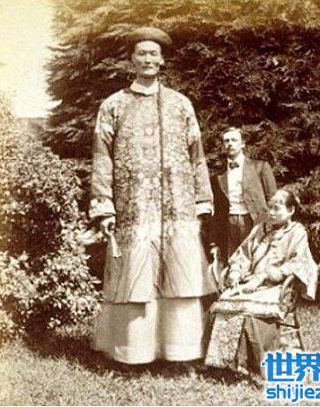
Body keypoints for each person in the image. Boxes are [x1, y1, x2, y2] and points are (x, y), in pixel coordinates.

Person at [89, 26, 217, 366]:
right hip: (134, 209)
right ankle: (133, 354)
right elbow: (102, 159)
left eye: (153, 54)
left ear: (162, 61)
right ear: (132, 59)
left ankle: (181, 353)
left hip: (177, 208)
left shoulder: (180, 104)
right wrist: (104, 206)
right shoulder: (113, 106)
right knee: (135, 278)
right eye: (141, 53)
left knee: (180, 278)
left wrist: (202, 201)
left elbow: (197, 156)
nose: (147, 59)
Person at [205, 189, 318, 378]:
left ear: (291, 210)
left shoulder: (297, 232)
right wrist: (235, 273)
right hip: (250, 282)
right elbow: (243, 255)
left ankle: (248, 364)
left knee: (247, 310)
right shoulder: (260, 229)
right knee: (222, 305)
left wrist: (267, 276)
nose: (271, 213)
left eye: (277, 208)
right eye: (270, 208)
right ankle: (222, 364)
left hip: (277, 287)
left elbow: (300, 262)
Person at [210, 127, 277, 263]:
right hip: (229, 224)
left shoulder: (260, 167)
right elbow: (217, 210)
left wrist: (273, 226)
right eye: (226, 141)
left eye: (234, 140)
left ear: (242, 144)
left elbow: (274, 200)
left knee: (257, 260)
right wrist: (214, 240)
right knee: (232, 262)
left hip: (254, 221)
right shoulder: (218, 176)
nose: (230, 144)